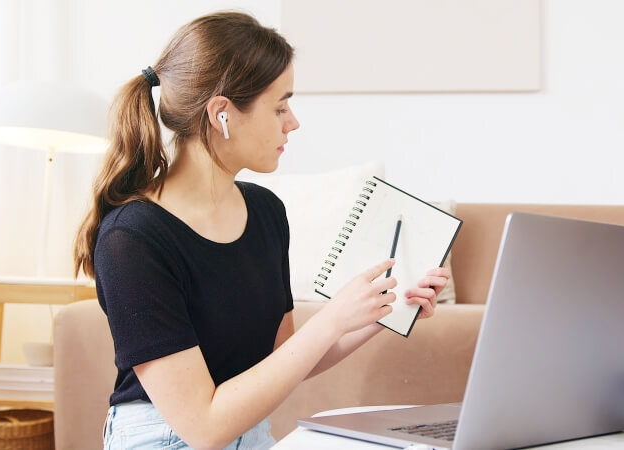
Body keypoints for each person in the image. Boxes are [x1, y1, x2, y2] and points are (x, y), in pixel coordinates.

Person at [73, 11, 450, 450]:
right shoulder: (132, 240)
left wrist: (385, 310)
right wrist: (330, 319)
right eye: (280, 106)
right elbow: (203, 426)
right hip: (164, 439)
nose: (293, 122)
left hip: (249, 436)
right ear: (222, 114)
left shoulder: (265, 211)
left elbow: (284, 357)